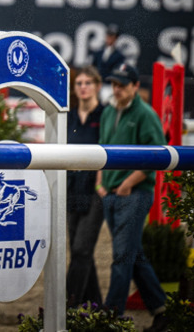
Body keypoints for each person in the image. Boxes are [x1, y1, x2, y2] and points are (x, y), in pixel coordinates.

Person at [97, 63, 168, 332]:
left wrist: (127, 183)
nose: (117, 89)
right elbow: (102, 149)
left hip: (134, 193)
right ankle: (162, 309)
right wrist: (100, 183)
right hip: (112, 193)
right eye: (114, 84)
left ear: (136, 86)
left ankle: (110, 314)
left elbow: (157, 156)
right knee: (132, 255)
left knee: (122, 257)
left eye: (122, 84)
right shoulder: (108, 113)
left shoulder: (146, 115)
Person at [66, 66, 106, 307]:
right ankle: (98, 307)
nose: (82, 87)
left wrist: (102, 184)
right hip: (72, 188)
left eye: (87, 82)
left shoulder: (106, 115)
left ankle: (67, 307)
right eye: (79, 83)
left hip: (95, 189)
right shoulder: (69, 116)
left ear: (97, 86)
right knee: (80, 251)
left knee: (81, 250)